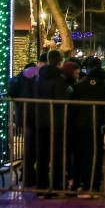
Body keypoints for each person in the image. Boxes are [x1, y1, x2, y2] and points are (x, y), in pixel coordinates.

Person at [70, 57, 105, 193]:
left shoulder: (79, 85)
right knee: (95, 155)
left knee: (78, 154)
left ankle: (77, 182)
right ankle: (92, 184)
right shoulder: (104, 86)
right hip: (97, 124)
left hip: (79, 124)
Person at [34, 49, 72, 194]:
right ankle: (56, 185)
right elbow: (60, 99)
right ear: (59, 61)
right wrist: (68, 91)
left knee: (42, 154)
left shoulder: (40, 76)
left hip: (41, 119)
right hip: (55, 120)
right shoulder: (59, 78)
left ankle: (41, 186)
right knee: (56, 154)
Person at [8, 61, 38, 185]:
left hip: (24, 116)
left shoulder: (18, 78)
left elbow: (12, 92)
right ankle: (29, 175)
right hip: (34, 116)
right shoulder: (35, 79)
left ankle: (26, 175)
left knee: (29, 146)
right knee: (33, 146)